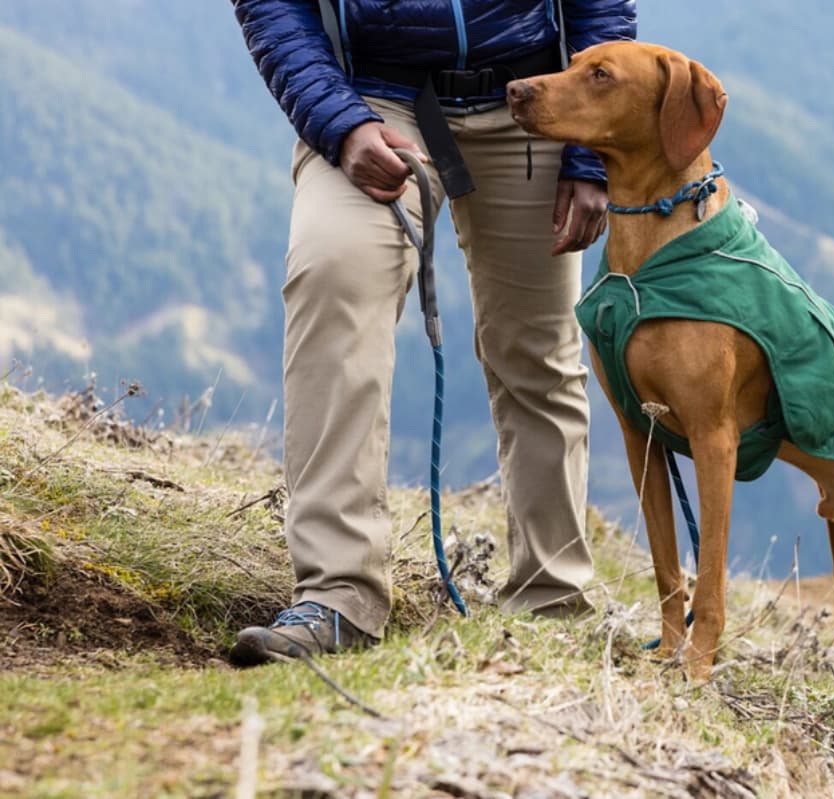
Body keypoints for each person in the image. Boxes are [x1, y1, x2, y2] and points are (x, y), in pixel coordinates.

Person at [229, 0, 637, 665]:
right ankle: (337, 596)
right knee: (333, 279)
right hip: (372, 99)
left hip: (534, 98)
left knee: (539, 349)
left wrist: (591, 149)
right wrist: (339, 123)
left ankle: (553, 600)